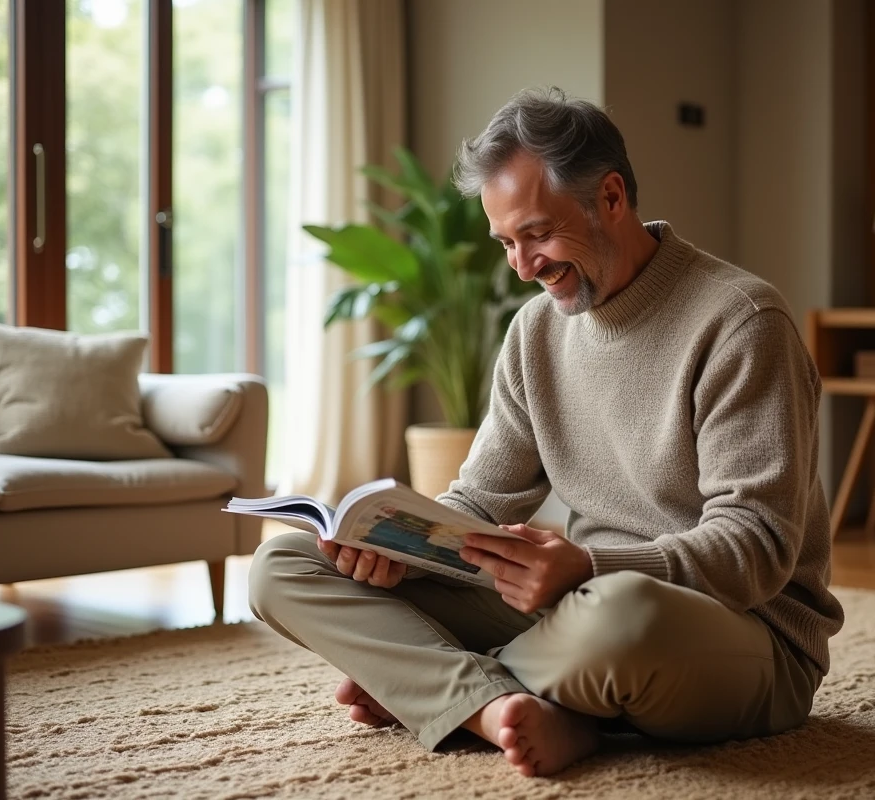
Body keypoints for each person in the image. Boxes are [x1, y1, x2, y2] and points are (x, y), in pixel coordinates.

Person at [248, 87, 844, 778]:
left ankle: (438, 693)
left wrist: (588, 568)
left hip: (737, 633)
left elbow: (757, 550)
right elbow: (479, 501)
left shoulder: (741, 322)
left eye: (537, 234)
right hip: (574, 609)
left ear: (611, 197)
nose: (523, 266)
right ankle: (503, 707)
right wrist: (397, 548)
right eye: (507, 243)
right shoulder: (535, 333)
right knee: (281, 567)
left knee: (622, 615)